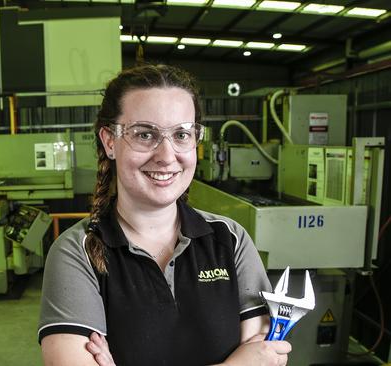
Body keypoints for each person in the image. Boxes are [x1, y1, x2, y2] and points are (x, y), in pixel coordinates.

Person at [38, 64, 291, 366]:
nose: (167, 155)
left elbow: (265, 357)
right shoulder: (76, 253)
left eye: (182, 134)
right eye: (145, 134)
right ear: (109, 142)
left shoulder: (230, 239)